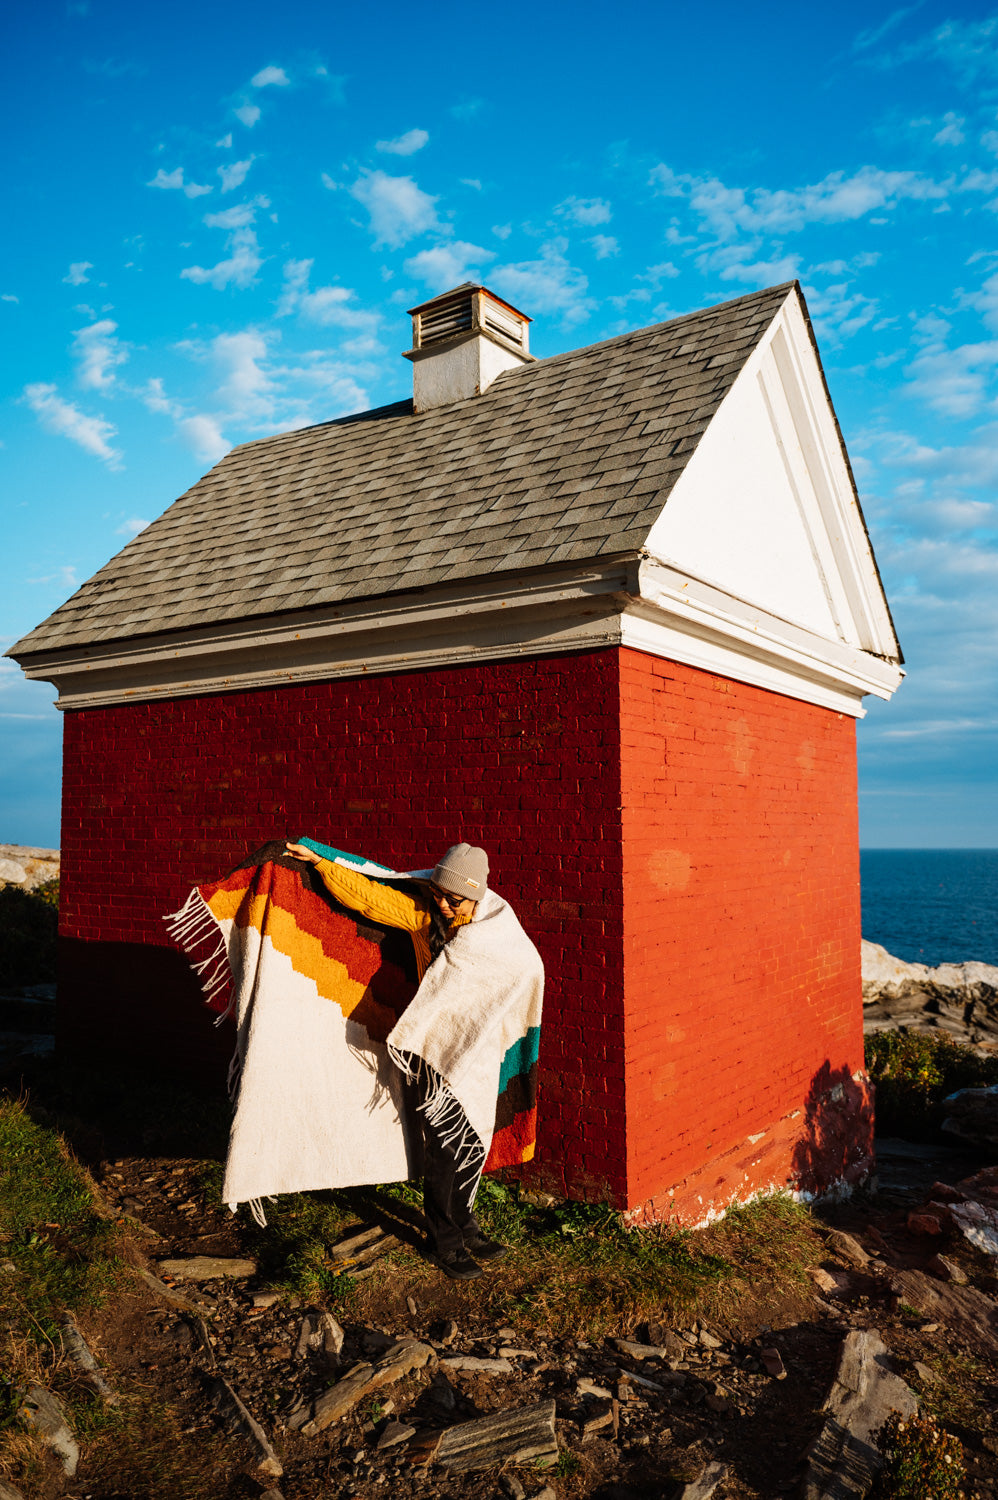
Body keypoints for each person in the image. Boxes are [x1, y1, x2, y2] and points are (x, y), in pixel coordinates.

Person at [285, 838, 506, 1281]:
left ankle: (467, 1225)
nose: (443, 904)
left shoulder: (498, 929)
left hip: (478, 1052)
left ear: (477, 894)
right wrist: (324, 863)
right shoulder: (424, 918)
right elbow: (370, 898)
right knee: (444, 1148)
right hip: (431, 1048)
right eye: (438, 893)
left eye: (455, 898)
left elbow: (523, 973)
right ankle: (443, 1242)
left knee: (473, 1142)